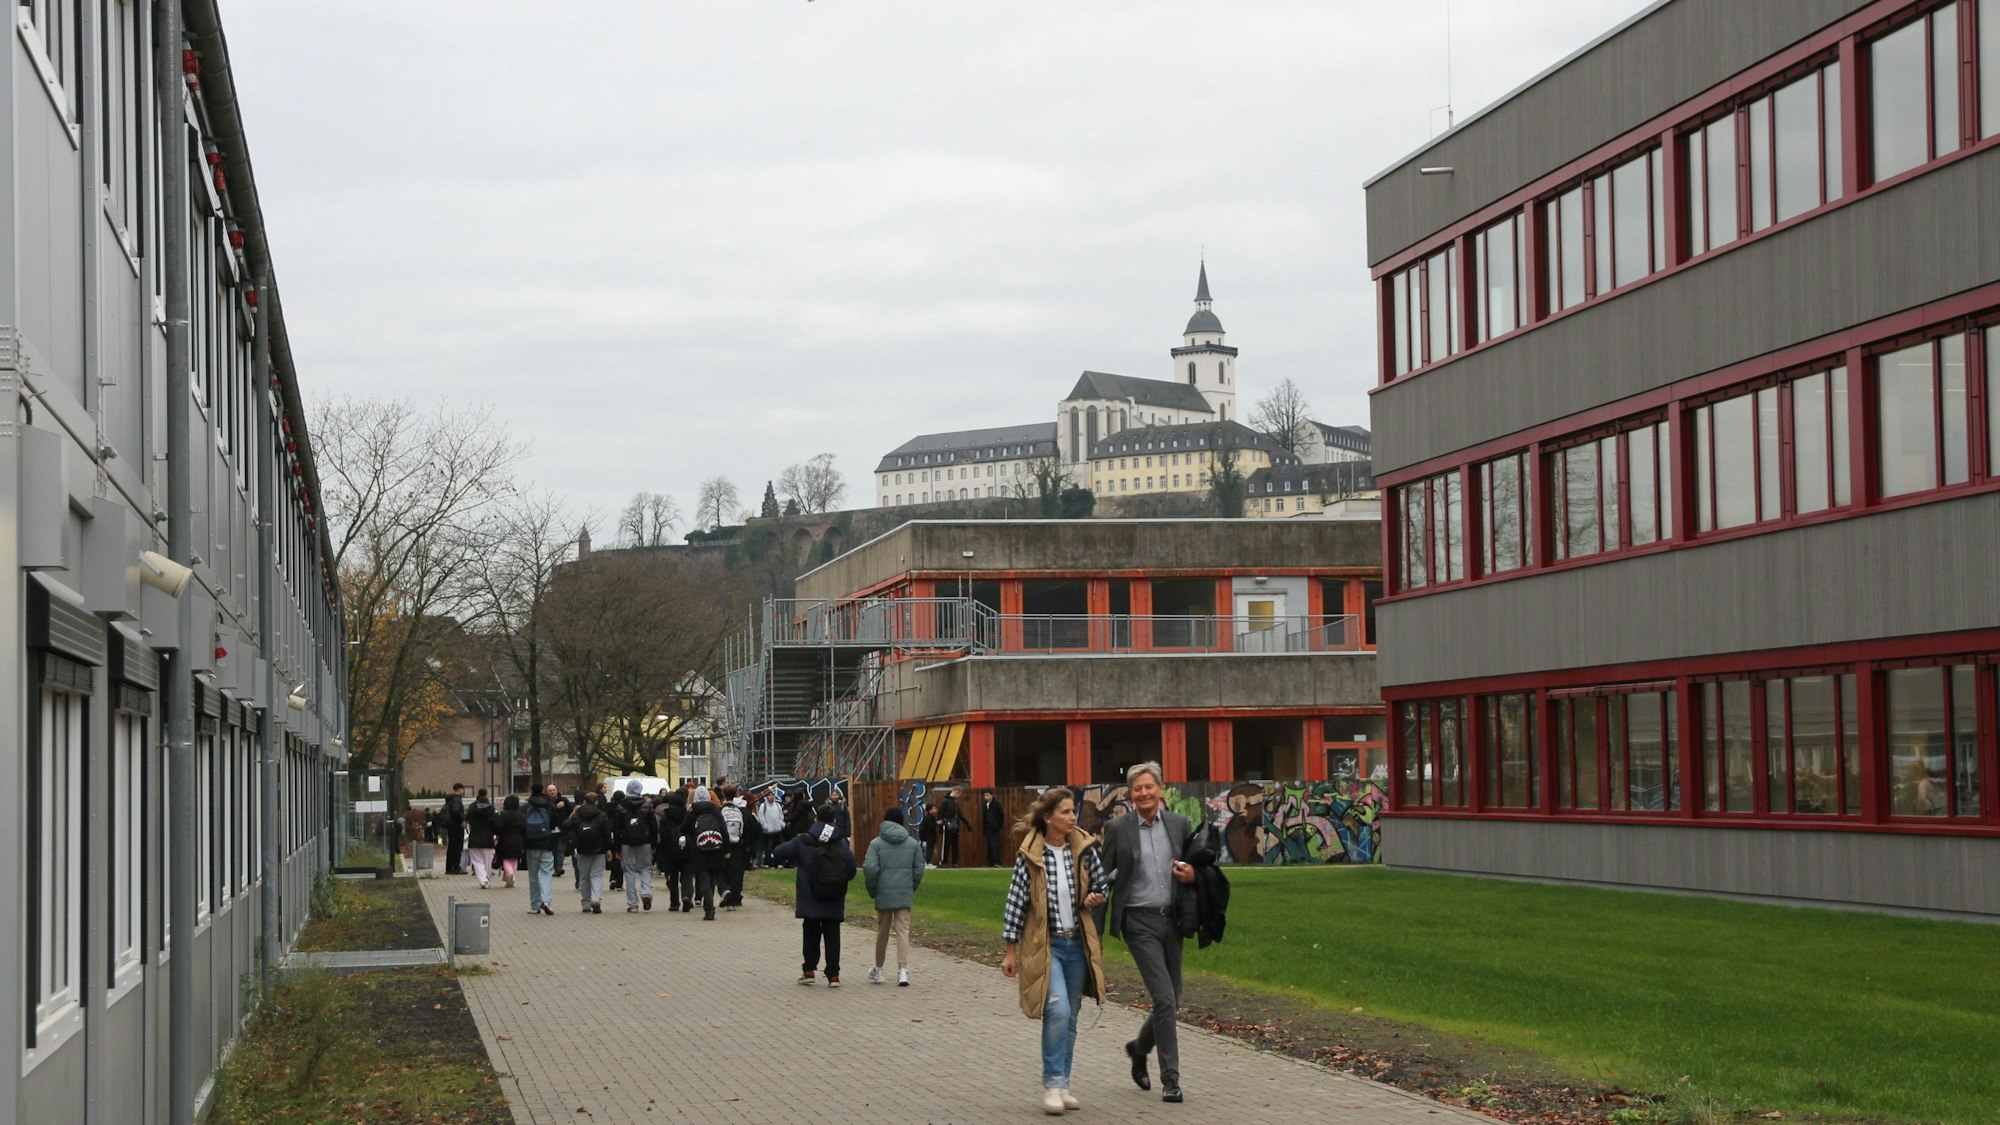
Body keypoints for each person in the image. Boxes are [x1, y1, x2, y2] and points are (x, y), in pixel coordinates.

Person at [1000, 787, 1107, 1116]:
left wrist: (1095, 896)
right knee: (1057, 1010)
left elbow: (1102, 884)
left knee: (1071, 1015)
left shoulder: (1083, 849)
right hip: (1046, 946)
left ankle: (1063, 1084)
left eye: (1073, 811)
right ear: (1048, 817)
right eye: (1065, 812)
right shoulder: (1031, 855)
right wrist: (1010, 950)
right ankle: (1051, 1084)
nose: (1072, 817)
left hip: (1078, 944)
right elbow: (1016, 902)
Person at [1101, 761, 1195, 1104]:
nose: (1143, 793)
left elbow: (1198, 865)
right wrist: (1093, 931)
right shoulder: (1117, 829)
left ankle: (1138, 1048)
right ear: (1130, 793)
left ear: (1160, 789)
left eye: (1149, 787)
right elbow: (1103, 879)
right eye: (1137, 788)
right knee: (1165, 999)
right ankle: (1171, 1079)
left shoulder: (1179, 825)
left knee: (1173, 1000)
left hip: (1173, 921)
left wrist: (1192, 875)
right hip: (1138, 922)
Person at [775, 804, 856, 987]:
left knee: (810, 933)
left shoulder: (803, 841)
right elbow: (851, 869)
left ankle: (809, 970)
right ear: (834, 821)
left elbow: (778, 853)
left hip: (809, 896)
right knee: (832, 935)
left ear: (816, 819)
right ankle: (833, 975)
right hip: (833, 896)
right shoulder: (840, 842)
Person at [862, 806, 925, 986]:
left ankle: (879, 969)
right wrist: (911, 886)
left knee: (883, 930)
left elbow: (870, 868)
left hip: (884, 890)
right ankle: (902, 970)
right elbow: (919, 868)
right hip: (904, 890)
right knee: (902, 930)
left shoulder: (876, 843)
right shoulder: (912, 844)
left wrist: (873, 889)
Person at [683, 786, 728, 920]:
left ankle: (708, 909)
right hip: (715, 848)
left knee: (703, 879)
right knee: (712, 878)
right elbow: (723, 830)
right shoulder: (716, 811)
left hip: (698, 851)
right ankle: (711, 903)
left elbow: (684, 830)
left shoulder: (692, 813)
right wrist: (727, 849)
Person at [616, 780, 657, 912]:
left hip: (626, 843)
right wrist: (654, 843)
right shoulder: (647, 807)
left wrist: (617, 848)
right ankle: (646, 892)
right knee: (646, 868)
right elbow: (653, 827)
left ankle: (632, 904)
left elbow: (616, 830)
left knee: (629, 871)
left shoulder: (620, 807)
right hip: (644, 842)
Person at [569, 792, 613, 914]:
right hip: (599, 849)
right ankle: (596, 898)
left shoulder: (578, 814)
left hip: (582, 849)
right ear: (596, 802)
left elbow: (567, 826)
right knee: (597, 875)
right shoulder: (602, 815)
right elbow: (607, 832)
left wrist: (573, 813)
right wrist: (609, 848)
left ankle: (586, 903)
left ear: (584, 801)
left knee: (584, 876)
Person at [523, 786, 560, 916]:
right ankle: (546, 901)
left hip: (531, 843)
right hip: (547, 842)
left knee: (533, 875)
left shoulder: (526, 807)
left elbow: (522, 825)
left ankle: (535, 905)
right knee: (546, 872)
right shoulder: (549, 805)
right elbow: (556, 822)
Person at [654, 788, 693, 911]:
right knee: (687, 876)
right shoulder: (687, 815)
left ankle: (674, 903)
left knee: (673, 877)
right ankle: (687, 896)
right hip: (686, 850)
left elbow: (663, 836)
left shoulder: (666, 817)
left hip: (670, 851)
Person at [719, 785, 757, 909]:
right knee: (737, 873)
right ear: (736, 794)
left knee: (723, 871)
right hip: (738, 846)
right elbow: (748, 829)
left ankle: (726, 892)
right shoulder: (741, 811)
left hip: (724, 846)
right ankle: (735, 898)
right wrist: (747, 845)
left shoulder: (720, 811)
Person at [463, 789, 498, 889]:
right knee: (488, 861)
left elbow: (467, 820)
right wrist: (496, 834)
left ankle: (482, 880)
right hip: (488, 839)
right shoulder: (491, 810)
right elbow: (496, 823)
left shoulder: (472, 808)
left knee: (477, 861)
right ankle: (487, 879)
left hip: (474, 838)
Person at [494, 793, 528, 888]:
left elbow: (498, 827)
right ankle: (511, 874)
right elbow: (525, 827)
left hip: (505, 839)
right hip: (518, 839)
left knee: (506, 858)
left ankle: (509, 874)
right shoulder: (521, 814)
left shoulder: (503, 814)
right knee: (515, 859)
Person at [543, 783, 572, 880]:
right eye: (550, 790)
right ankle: (556, 868)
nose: (552, 792)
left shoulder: (564, 800)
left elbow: (571, 811)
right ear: (547, 792)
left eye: (553, 790)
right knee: (553, 851)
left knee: (560, 849)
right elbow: (546, 814)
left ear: (556, 790)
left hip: (562, 829)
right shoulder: (545, 802)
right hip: (551, 829)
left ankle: (559, 867)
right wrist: (556, 807)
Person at [755, 788, 785, 867]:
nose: (771, 797)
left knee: (779, 848)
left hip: (778, 830)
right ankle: (767, 863)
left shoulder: (778, 805)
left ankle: (779, 863)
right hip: (768, 831)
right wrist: (766, 827)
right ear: (766, 797)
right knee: (768, 848)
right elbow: (761, 818)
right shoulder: (763, 806)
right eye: (769, 795)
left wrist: (782, 824)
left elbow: (781, 816)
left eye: (772, 795)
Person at [443, 783, 467, 875]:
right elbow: (456, 810)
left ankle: (449, 867)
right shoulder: (457, 799)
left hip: (451, 826)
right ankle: (456, 867)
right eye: (462, 789)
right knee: (457, 847)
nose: (463, 791)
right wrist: (462, 819)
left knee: (451, 847)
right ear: (459, 789)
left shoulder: (450, 799)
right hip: (456, 826)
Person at [939, 788, 963, 868]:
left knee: (955, 845)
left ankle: (955, 862)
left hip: (955, 826)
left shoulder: (955, 802)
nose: (959, 796)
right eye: (959, 794)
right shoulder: (945, 801)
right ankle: (944, 862)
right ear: (957, 792)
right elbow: (941, 813)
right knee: (946, 844)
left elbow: (959, 814)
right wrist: (940, 826)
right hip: (947, 825)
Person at [982, 791, 1005, 866]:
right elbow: (984, 817)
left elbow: (1001, 815)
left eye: (987, 795)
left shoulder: (996, 804)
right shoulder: (985, 805)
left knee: (995, 845)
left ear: (992, 795)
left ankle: (998, 862)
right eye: (985, 795)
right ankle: (990, 862)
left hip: (995, 828)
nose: (986, 797)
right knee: (989, 846)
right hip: (988, 828)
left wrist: (998, 826)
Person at [919, 802, 940, 868]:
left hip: (931, 836)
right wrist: (937, 823)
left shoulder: (931, 817)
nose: (936, 810)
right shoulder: (928, 818)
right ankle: (927, 863)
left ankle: (928, 862)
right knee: (929, 849)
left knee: (930, 849)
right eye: (934, 808)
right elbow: (930, 826)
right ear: (929, 810)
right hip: (929, 837)